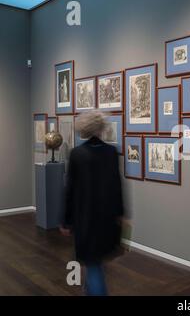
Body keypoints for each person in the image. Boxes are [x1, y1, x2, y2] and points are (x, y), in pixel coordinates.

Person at [60, 110, 124, 296]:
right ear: (101, 127)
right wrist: (121, 213)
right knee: (95, 262)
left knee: (93, 264)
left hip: (86, 219)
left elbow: (70, 191)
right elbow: (117, 186)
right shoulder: (111, 152)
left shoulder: (77, 154)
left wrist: (66, 220)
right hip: (107, 218)